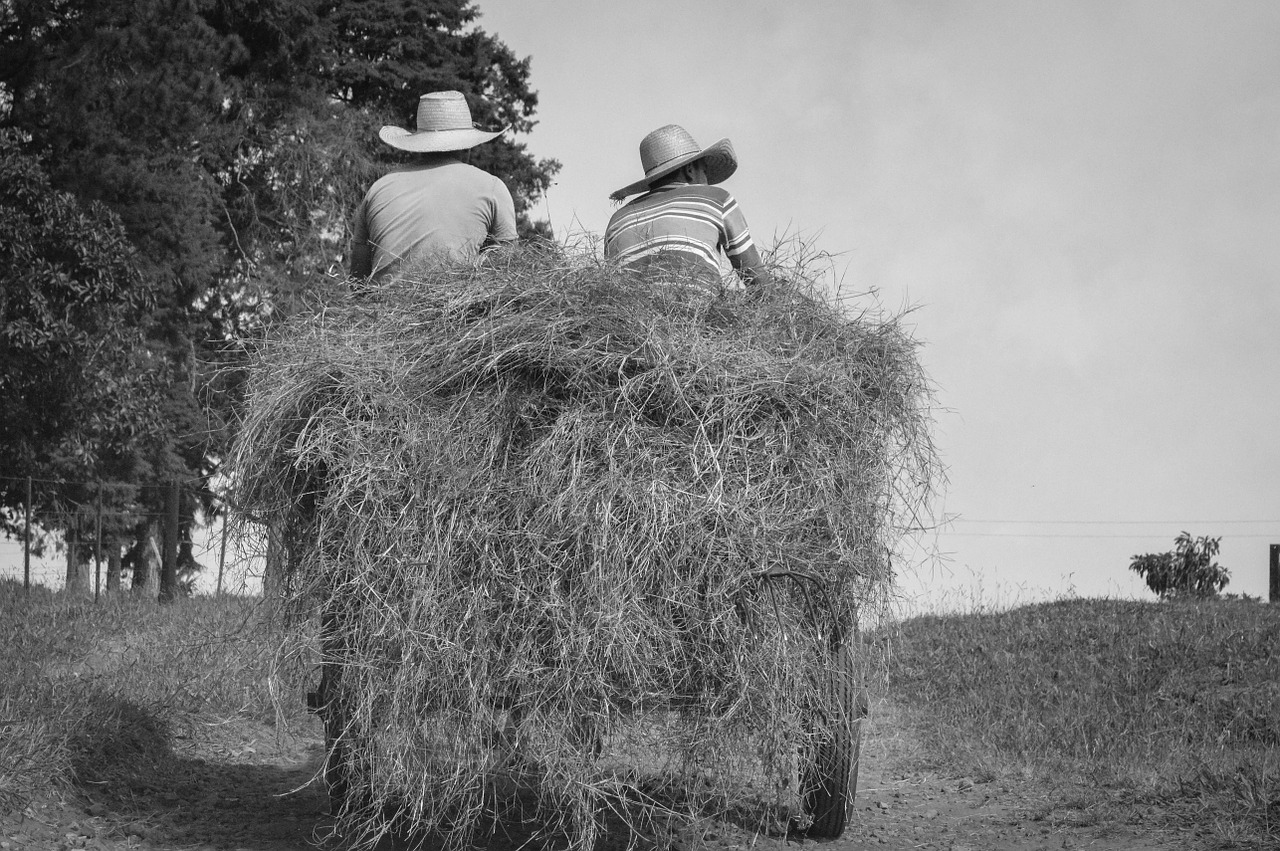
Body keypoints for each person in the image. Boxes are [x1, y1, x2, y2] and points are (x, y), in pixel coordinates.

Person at [349, 91, 517, 281]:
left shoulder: (379, 189)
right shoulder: (491, 187)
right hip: (457, 308)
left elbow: (357, 282)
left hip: (380, 309)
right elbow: (507, 275)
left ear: (418, 144)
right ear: (468, 144)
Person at [603, 124, 770, 287]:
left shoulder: (617, 220)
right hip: (696, 310)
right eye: (704, 171)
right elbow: (757, 280)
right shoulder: (717, 199)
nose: (706, 181)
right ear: (690, 169)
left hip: (627, 313)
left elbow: (612, 283)